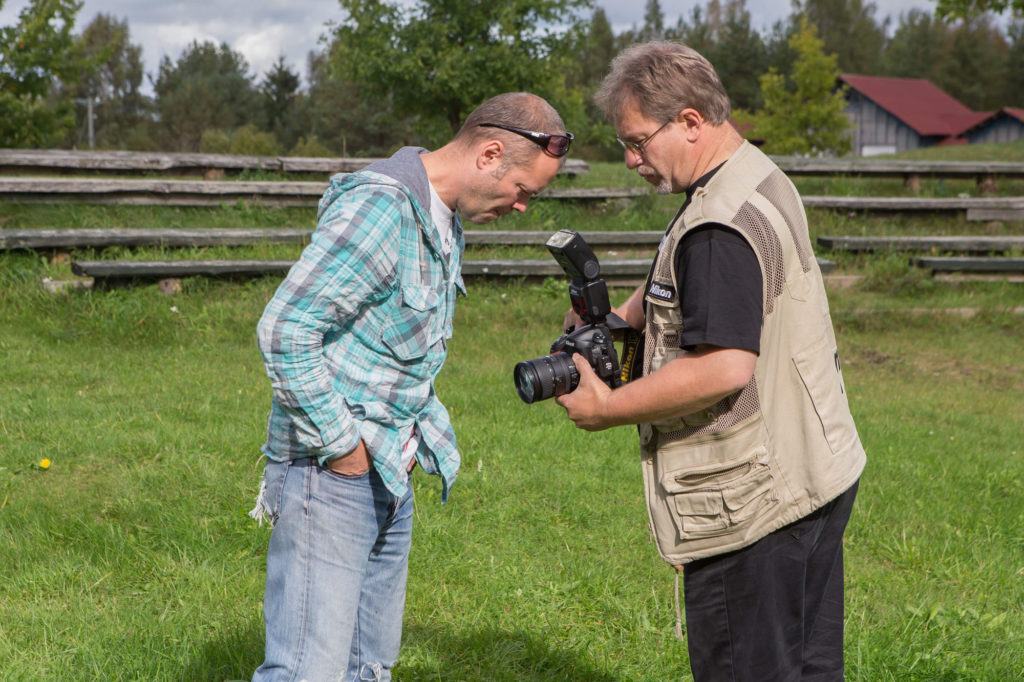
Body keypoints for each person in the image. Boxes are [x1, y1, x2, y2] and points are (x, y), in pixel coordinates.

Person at [555, 43, 866, 681]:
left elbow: (725, 365)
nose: (631, 160)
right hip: (815, 465)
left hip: (752, 503)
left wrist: (608, 407)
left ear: (691, 122)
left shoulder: (718, 227)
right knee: (807, 668)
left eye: (638, 141)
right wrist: (620, 321)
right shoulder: (752, 175)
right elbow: (701, 281)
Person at [248, 92, 573, 682]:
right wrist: (341, 447)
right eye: (525, 190)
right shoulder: (384, 207)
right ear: (490, 153)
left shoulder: (440, 215)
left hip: (391, 472)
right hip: (333, 474)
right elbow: (286, 328)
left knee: (368, 666)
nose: (524, 206)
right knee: (307, 671)